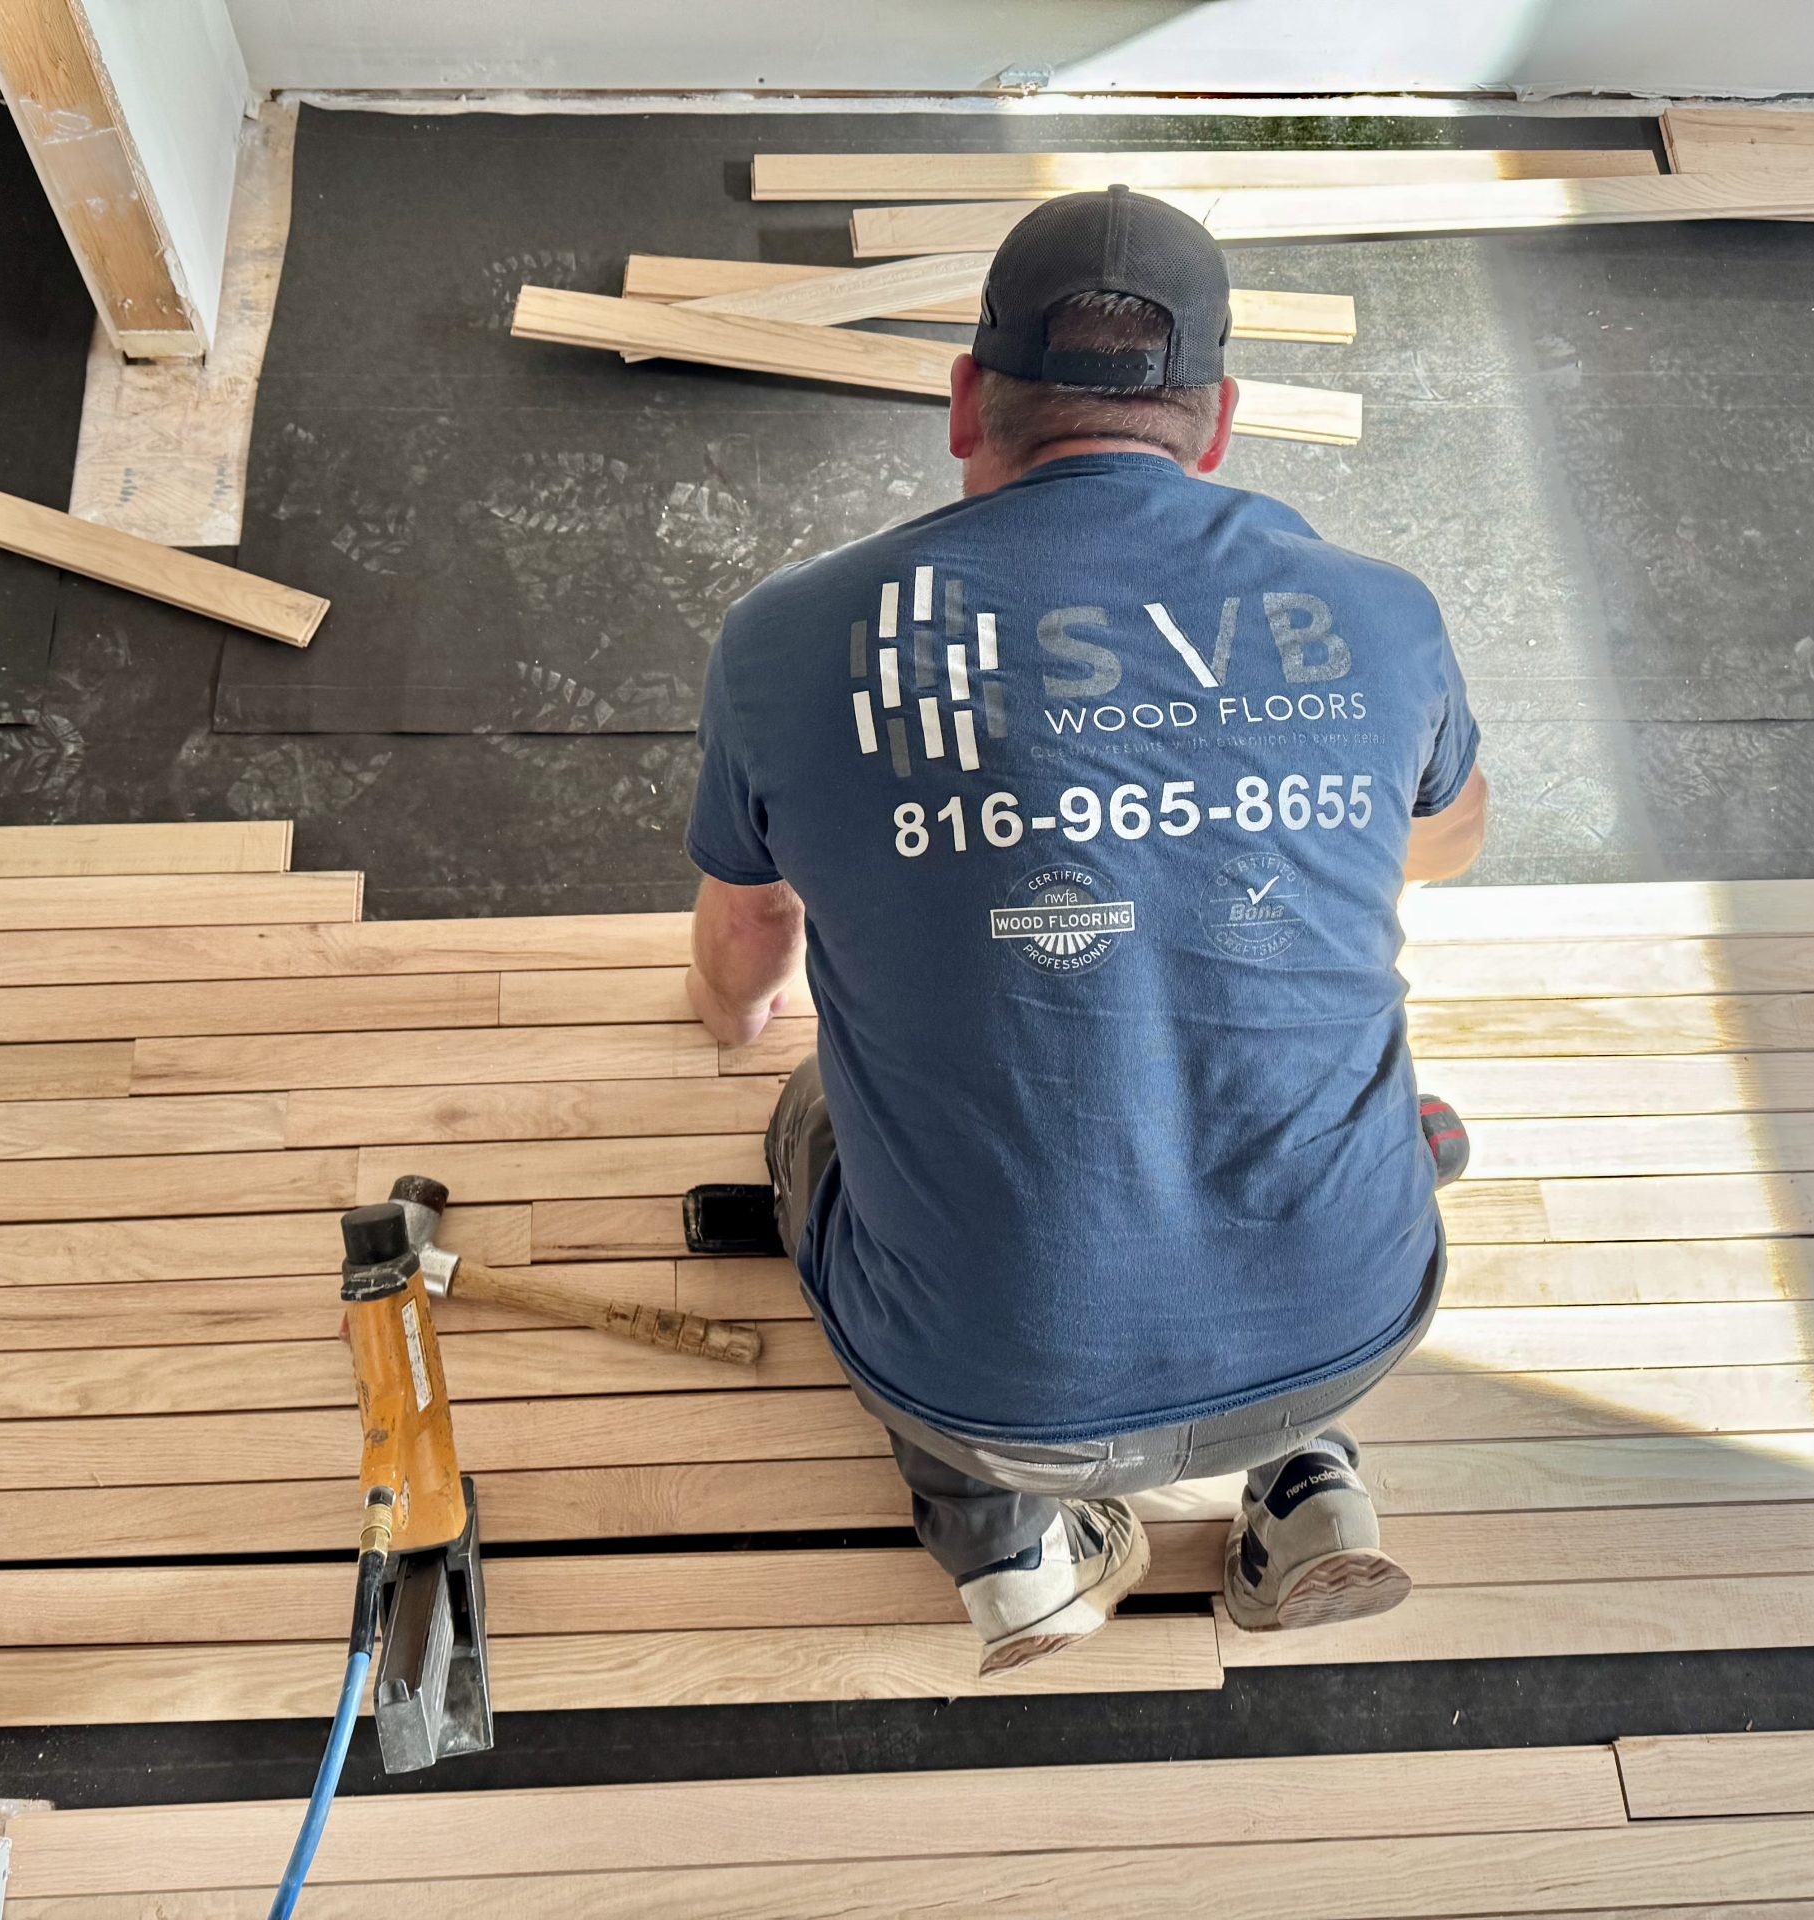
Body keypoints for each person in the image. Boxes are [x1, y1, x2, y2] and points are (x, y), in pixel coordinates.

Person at [682, 187, 1488, 1675]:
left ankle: (1008, 1550)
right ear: (1218, 423)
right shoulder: (1384, 617)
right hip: (1355, 1321)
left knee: (811, 1114)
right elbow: (1445, 841)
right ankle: (1306, 1483)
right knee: (1345, 1107)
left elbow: (748, 938)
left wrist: (735, 1022)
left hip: (997, 1390)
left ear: (965, 401)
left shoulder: (786, 643)